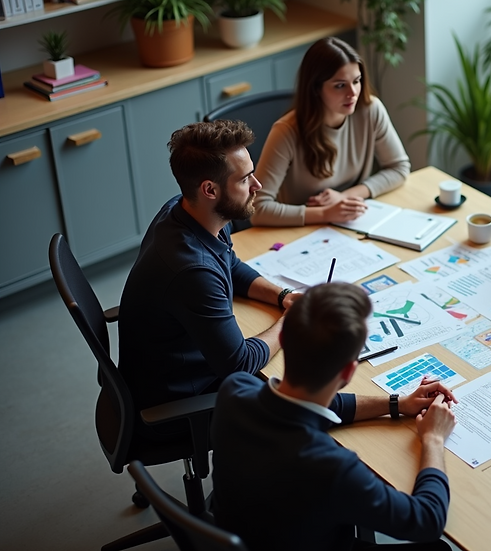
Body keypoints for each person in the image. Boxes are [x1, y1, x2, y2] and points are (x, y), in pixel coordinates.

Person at [211, 283, 458, 551]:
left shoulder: (234, 390)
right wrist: (433, 438)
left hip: (250, 531)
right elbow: (427, 520)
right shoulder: (333, 467)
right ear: (349, 372)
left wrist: (397, 404)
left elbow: (308, 405)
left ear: (283, 341)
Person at [118, 120, 299, 430]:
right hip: (179, 401)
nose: (257, 185)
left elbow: (230, 263)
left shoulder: (187, 210)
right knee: (303, 402)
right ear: (210, 189)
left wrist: (282, 296)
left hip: (178, 365)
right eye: (244, 179)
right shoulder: (192, 271)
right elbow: (238, 364)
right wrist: (291, 323)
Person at [251, 37, 411, 227]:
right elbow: (257, 209)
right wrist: (325, 213)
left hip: (347, 221)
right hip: (296, 231)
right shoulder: (286, 132)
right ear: (316, 88)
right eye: (340, 85)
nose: (353, 93)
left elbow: (399, 168)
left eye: (357, 81)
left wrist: (345, 197)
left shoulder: (370, 110)